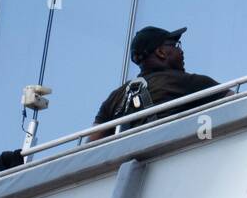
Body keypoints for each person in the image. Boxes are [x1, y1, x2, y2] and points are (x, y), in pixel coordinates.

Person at [88, 26, 222, 142]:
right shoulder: (182, 82)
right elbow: (236, 102)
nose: (180, 51)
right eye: (175, 45)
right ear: (160, 52)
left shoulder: (115, 97)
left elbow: (91, 146)